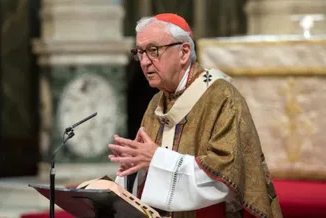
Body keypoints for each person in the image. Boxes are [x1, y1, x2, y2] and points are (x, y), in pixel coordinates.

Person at [108, 13, 282, 218]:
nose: (144, 62)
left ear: (184, 52)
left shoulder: (222, 97)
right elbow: (149, 167)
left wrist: (156, 158)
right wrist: (136, 169)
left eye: (153, 50)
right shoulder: (156, 102)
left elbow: (225, 174)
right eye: (140, 52)